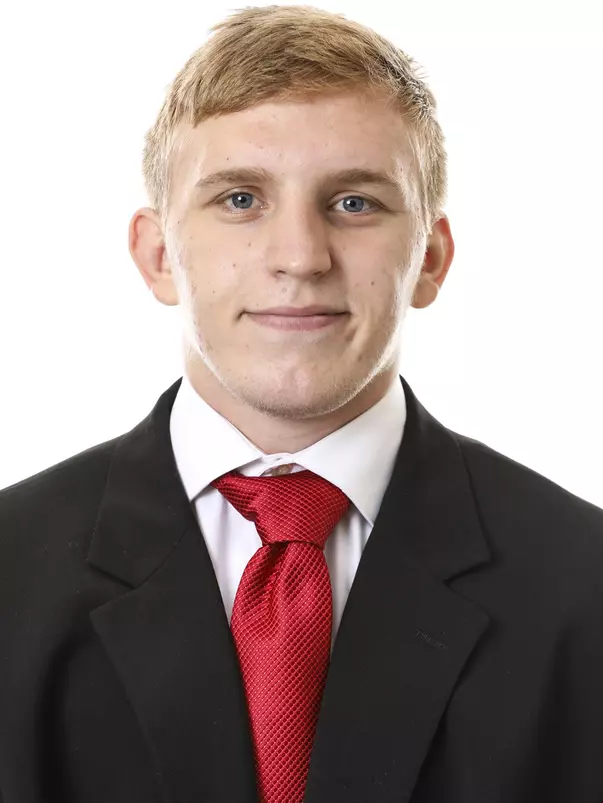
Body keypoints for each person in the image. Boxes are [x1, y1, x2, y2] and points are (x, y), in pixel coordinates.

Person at [1, 5, 603, 802]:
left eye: (353, 202)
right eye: (241, 200)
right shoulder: (10, 573)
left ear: (429, 258)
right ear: (157, 257)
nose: (298, 258)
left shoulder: (582, 585)